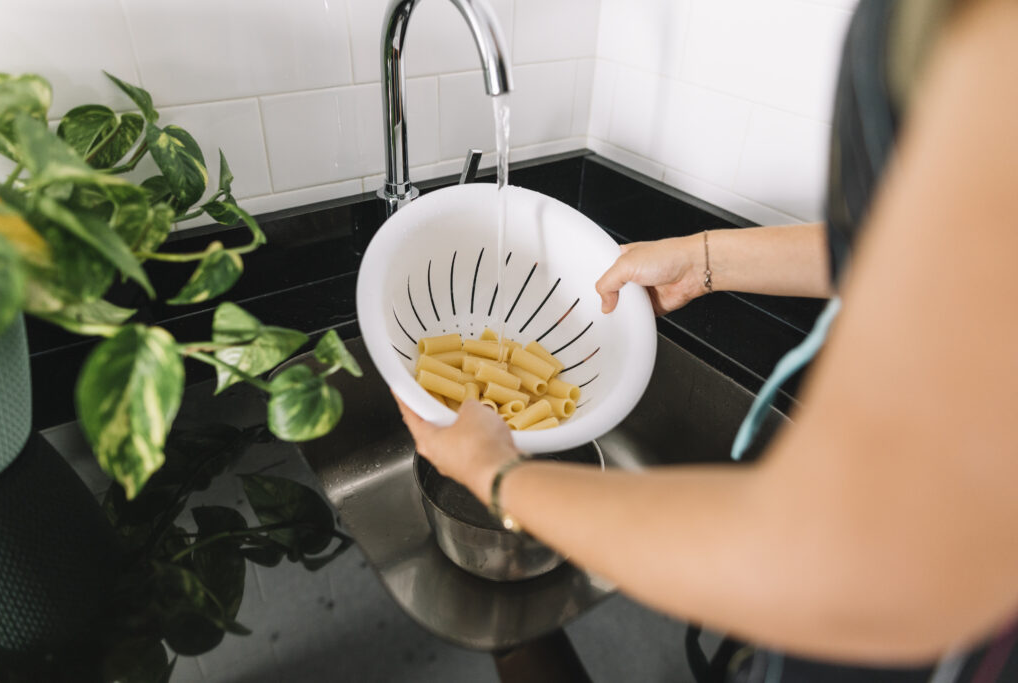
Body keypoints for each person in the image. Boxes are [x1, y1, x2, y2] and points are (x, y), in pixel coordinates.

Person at [396, 0, 1018, 678]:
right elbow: (925, 255)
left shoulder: (999, 40)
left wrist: (500, 478)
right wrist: (706, 258)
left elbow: (841, 554)